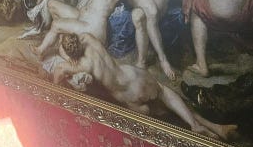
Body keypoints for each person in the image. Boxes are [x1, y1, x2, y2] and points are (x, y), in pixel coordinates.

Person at [54, 32, 238, 140]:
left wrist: (68, 61)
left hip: (127, 96)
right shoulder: (88, 38)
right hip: (133, 76)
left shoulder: (79, 66)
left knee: (165, 112)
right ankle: (206, 126)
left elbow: (57, 75)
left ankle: (208, 127)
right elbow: (71, 37)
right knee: (165, 94)